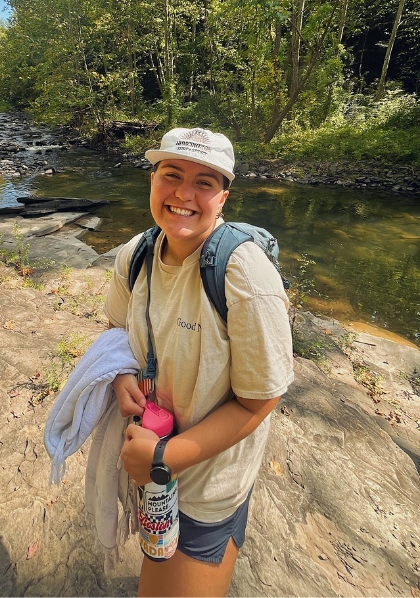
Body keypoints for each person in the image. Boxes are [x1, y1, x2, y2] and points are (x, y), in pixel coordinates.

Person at [104, 127, 294, 597]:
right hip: (154, 466)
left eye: (204, 183)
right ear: (152, 181)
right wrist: (122, 375)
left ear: (223, 198)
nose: (184, 194)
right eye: (172, 174)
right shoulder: (135, 255)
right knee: (156, 574)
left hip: (206, 482)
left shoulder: (245, 275)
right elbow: (114, 331)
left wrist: (164, 459)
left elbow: (259, 402)